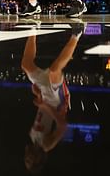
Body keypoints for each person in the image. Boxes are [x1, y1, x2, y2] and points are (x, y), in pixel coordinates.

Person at [21, 21, 85, 173]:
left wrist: (38, 95)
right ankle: (77, 34)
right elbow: (62, 124)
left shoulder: (33, 139)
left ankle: (33, 29)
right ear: (38, 160)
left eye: (26, 160)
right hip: (57, 101)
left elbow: (42, 116)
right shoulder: (47, 145)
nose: (27, 158)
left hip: (45, 98)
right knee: (54, 70)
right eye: (30, 161)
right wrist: (44, 105)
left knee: (26, 65)